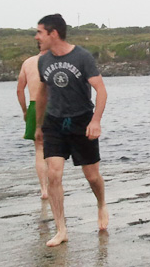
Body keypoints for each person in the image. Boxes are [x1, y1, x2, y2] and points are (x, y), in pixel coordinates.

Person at [35, 14, 108, 247]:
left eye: (40, 32)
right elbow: (42, 93)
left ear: (53, 33)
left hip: (81, 120)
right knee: (54, 174)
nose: (37, 37)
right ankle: (61, 229)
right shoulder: (43, 60)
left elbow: (101, 91)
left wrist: (95, 121)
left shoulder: (82, 57)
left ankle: (101, 204)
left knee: (92, 176)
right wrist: (37, 125)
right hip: (54, 123)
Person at [17, 48, 48, 199]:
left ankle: (44, 189)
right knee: (56, 148)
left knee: (39, 149)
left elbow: (19, 90)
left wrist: (24, 111)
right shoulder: (56, 60)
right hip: (54, 105)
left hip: (34, 105)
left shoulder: (28, 63)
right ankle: (55, 184)